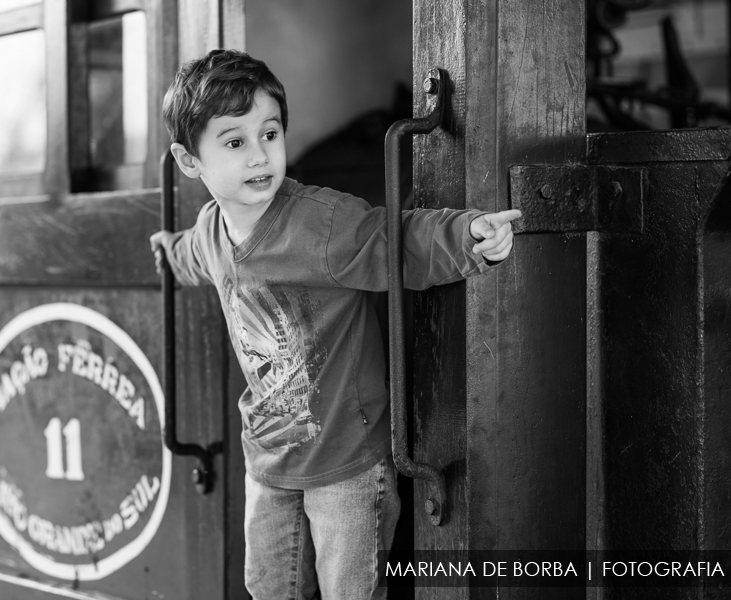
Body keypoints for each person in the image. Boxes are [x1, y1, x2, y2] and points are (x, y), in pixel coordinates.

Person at [149, 49, 520, 600]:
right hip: (269, 460)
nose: (260, 156)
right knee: (270, 588)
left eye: (269, 134)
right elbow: (191, 257)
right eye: (235, 142)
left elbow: (397, 239)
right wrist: (164, 253)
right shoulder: (209, 232)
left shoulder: (320, 224)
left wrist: (470, 237)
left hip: (348, 464)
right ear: (187, 161)